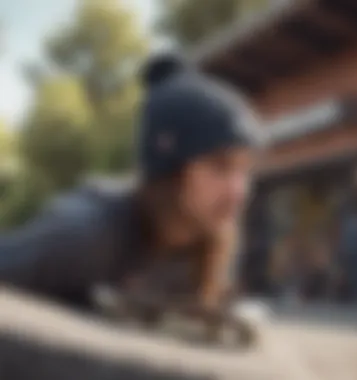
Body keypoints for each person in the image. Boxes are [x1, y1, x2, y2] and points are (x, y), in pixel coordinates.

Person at [0, 52, 264, 313]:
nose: (238, 191)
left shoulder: (208, 251)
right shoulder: (85, 237)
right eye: (220, 166)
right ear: (170, 172)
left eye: (245, 170)